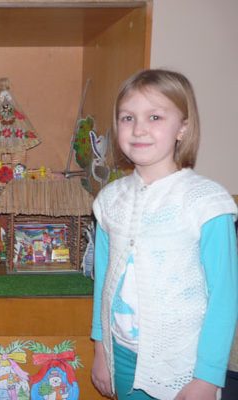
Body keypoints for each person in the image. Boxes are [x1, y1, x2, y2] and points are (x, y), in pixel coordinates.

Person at [90, 69, 237, 400]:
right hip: (121, 356)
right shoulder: (109, 201)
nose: (138, 129)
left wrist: (207, 377)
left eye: (154, 117)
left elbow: (224, 297)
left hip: (184, 366)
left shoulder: (206, 202)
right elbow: (103, 284)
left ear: (182, 127)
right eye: (127, 118)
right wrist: (101, 349)